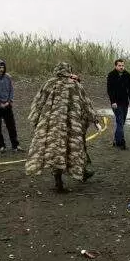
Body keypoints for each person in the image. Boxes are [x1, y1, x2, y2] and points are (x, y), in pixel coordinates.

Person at [25, 62, 106, 193]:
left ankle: (60, 181)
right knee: (71, 150)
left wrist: (35, 121)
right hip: (70, 126)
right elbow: (86, 103)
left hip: (51, 126)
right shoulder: (74, 85)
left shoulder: (48, 84)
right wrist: (96, 120)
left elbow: (38, 103)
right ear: (68, 71)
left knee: (55, 151)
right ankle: (72, 176)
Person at [0, 59, 21, 152]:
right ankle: (1, 146)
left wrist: (9, 101)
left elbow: (11, 90)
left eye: (3, 67)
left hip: (7, 105)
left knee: (11, 126)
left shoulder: (8, 77)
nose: (1, 69)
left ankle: (15, 145)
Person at [106, 59, 130, 150]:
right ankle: (121, 142)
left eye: (122, 65)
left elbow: (129, 88)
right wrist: (113, 101)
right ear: (116, 66)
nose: (121, 67)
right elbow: (109, 90)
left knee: (122, 122)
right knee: (120, 121)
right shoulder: (111, 75)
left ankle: (116, 140)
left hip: (125, 102)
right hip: (116, 103)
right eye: (119, 65)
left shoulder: (127, 74)